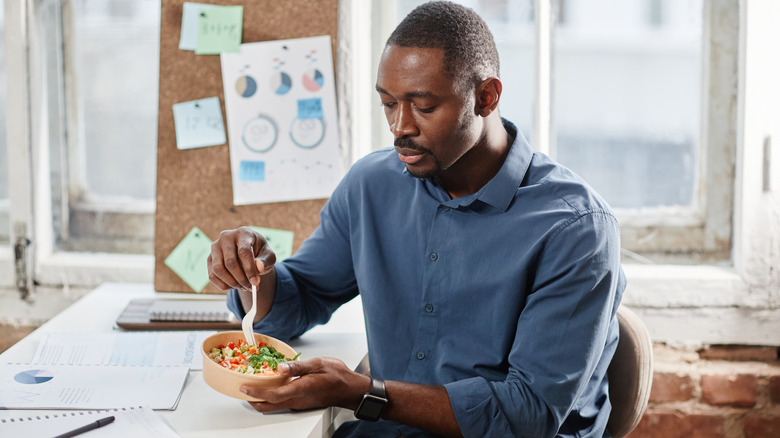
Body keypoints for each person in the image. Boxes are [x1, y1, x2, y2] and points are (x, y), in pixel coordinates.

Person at [207, 1, 626, 437]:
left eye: (423, 107)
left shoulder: (576, 227)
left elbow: (528, 414)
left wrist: (361, 394)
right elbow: (298, 303)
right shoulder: (372, 185)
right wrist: (253, 272)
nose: (399, 126)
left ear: (486, 97)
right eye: (388, 103)